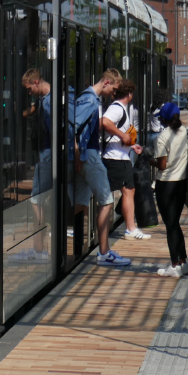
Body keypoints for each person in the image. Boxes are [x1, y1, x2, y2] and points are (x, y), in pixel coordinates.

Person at [74, 68, 130, 268]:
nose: (113, 94)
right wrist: (77, 153)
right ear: (106, 82)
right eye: (113, 89)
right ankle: (104, 252)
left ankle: (51, 224)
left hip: (85, 155)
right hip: (89, 155)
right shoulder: (90, 101)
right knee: (106, 202)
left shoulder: (89, 99)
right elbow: (73, 126)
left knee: (80, 203)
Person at [153, 102, 188, 278]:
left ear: (163, 119)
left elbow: (162, 165)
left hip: (166, 185)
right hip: (182, 184)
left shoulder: (162, 136)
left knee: (171, 226)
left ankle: (174, 264)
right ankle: (183, 263)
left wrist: (149, 160)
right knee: (175, 223)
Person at [101, 80, 149, 240]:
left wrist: (132, 145)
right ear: (129, 94)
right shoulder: (117, 108)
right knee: (128, 191)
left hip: (120, 155)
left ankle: (129, 227)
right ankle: (130, 228)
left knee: (126, 191)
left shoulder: (120, 108)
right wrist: (122, 136)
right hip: (116, 158)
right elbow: (105, 122)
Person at [21, 69, 53, 264]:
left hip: (47, 154)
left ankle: (39, 249)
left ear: (35, 82)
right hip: (46, 153)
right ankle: (39, 247)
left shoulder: (48, 104)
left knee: (36, 199)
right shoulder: (45, 99)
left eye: (29, 89)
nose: (29, 93)